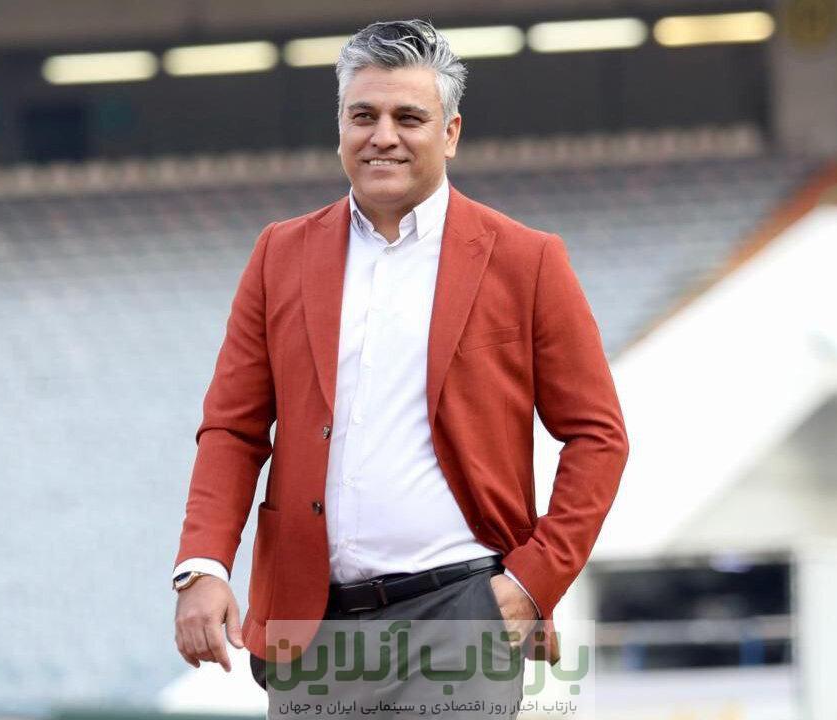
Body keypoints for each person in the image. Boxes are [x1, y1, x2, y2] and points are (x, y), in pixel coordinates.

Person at [171, 18, 628, 717]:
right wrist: (203, 566)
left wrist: (530, 582)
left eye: (408, 118)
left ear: (451, 133)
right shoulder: (279, 255)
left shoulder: (527, 260)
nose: (382, 135)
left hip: (462, 612)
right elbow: (232, 429)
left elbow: (598, 436)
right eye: (364, 116)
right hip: (311, 627)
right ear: (340, 129)